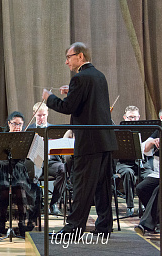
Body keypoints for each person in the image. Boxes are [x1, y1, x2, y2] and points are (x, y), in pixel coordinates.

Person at [42, 42, 117, 235]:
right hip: (105, 140)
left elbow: (68, 108)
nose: (66, 61)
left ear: (80, 56)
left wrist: (49, 99)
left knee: (82, 186)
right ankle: (104, 227)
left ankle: (73, 229)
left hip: (89, 142)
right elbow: (88, 101)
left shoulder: (80, 78)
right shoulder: (99, 76)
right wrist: (72, 92)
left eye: (69, 57)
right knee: (103, 187)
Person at [0, 111, 41, 236]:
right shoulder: (1, 137)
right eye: (14, 123)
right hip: (3, 171)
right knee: (3, 187)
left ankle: (22, 223)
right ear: (9, 124)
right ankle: (1, 223)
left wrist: (38, 144)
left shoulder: (26, 138)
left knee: (21, 187)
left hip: (20, 172)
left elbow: (38, 160)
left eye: (20, 124)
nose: (17, 127)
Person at [134, 101, 162, 235]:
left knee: (160, 188)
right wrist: (152, 142)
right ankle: (160, 220)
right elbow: (144, 148)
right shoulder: (161, 130)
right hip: (160, 173)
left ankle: (145, 224)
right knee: (141, 188)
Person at [27, 102, 65, 215]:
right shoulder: (29, 129)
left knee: (63, 169)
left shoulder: (53, 129)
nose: (41, 118)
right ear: (34, 115)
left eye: (44, 115)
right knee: (33, 174)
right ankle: (39, 203)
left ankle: (53, 203)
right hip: (37, 160)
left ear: (47, 114)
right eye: (39, 115)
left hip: (51, 161)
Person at [116, 106, 143, 216]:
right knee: (128, 174)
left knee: (149, 175)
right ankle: (130, 206)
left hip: (141, 163)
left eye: (135, 117)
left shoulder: (145, 131)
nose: (133, 120)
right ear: (124, 118)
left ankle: (145, 205)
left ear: (139, 117)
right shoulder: (119, 132)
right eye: (130, 117)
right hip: (124, 163)